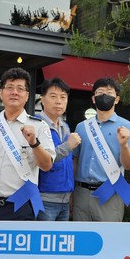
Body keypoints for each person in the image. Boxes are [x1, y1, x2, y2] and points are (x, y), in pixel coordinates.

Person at [0, 67, 55, 222]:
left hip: (21, 204)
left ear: (27, 95)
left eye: (20, 89)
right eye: (9, 87)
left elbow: (46, 165)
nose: (14, 92)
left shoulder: (39, 126)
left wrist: (34, 143)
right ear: (1, 93)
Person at [72, 77, 130, 222]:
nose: (104, 96)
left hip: (110, 191)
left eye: (109, 93)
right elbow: (75, 161)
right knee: (81, 235)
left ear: (117, 99)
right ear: (93, 98)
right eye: (100, 92)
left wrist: (124, 145)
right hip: (81, 193)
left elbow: (129, 165)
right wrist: (71, 191)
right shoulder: (82, 127)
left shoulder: (128, 127)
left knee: (109, 235)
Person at [36, 78, 80, 221]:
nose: (58, 101)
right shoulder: (35, 125)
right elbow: (42, 160)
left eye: (63, 97)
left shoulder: (65, 126)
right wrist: (68, 146)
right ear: (43, 100)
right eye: (53, 96)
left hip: (65, 199)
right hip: (44, 198)